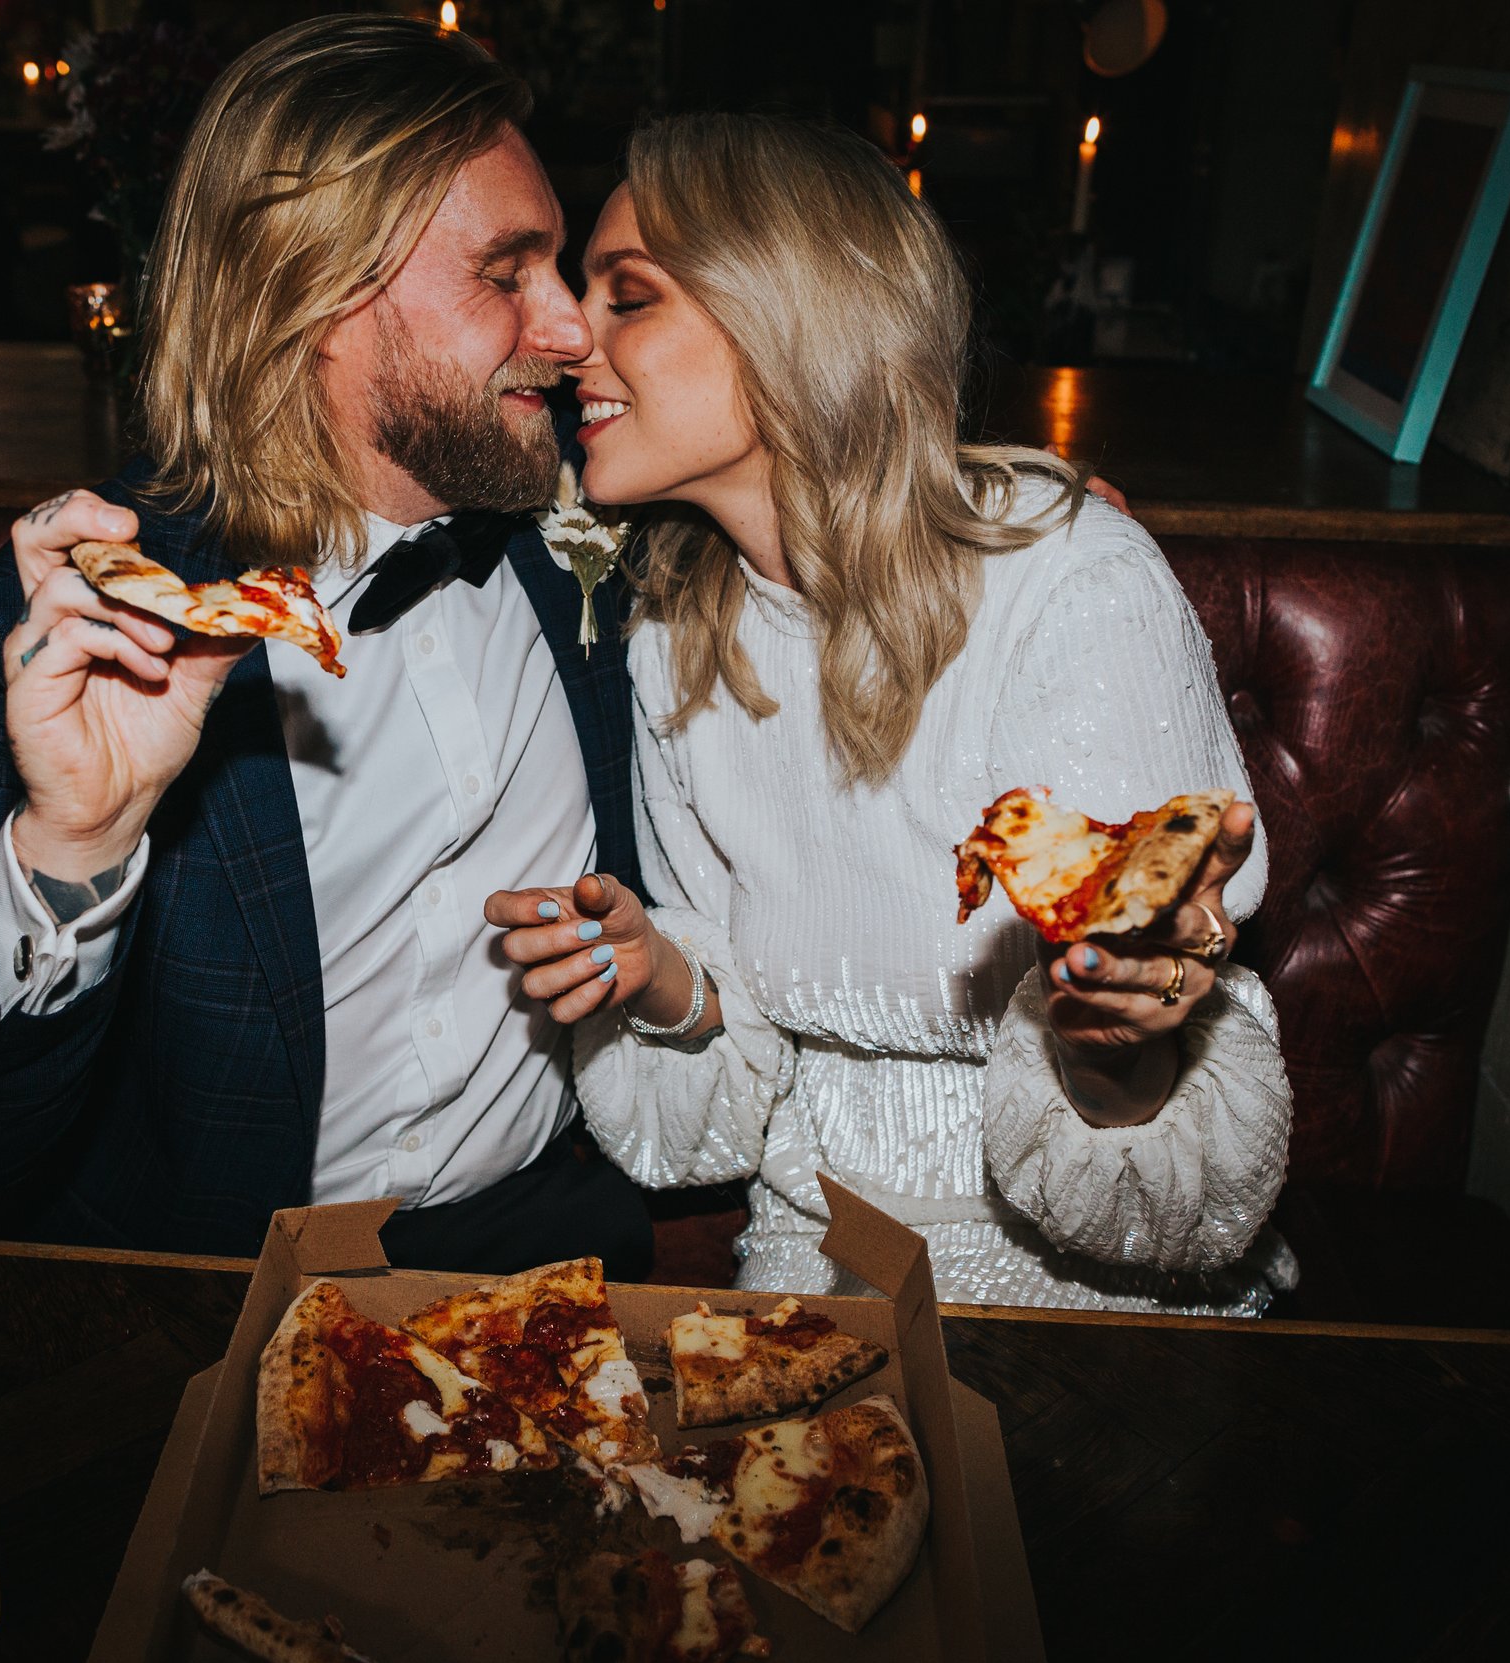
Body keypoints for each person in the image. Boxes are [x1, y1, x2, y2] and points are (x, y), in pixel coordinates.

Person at [0, 15, 658, 1276]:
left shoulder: (594, 515)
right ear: (313, 294)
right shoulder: (77, 631)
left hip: (559, 1240)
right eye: (507, 273)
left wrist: (1017, 525)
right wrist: (77, 844)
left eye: (557, 269)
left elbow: (813, 482)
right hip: (229, 1292)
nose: (572, 331)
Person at [487, 115, 1297, 1312]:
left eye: (629, 298)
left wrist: (1117, 1046)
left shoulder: (1068, 580)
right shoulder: (676, 629)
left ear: (784, 314)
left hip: (1101, 1288)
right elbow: (733, 1042)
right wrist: (658, 974)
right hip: (810, 1254)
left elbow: (1161, 1043)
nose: (569, 343)